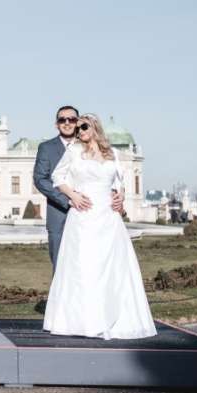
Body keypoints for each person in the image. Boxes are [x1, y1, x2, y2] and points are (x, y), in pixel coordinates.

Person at [43, 113, 156, 340]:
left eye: (83, 126)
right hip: (83, 216)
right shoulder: (74, 151)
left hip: (108, 217)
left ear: (94, 127)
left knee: (112, 266)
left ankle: (114, 317)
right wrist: (72, 195)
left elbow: (119, 181)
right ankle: (84, 321)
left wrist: (121, 196)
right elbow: (57, 177)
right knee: (84, 265)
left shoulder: (112, 153)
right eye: (77, 128)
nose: (79, 130)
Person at [33, 105, 124, 270]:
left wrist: (119, 195)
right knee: (62, 268)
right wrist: (69, 199)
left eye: (72, 120)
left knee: (101, 262)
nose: (67, 123)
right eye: (62, 120)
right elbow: (40, 180)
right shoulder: (47, 148)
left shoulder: (102, 150)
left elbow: (115, 178)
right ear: (56, 124)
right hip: (60, 213)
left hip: (99, 213)